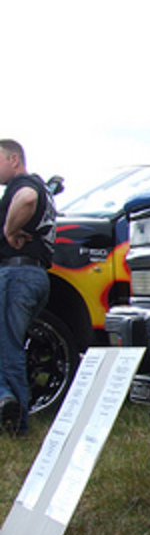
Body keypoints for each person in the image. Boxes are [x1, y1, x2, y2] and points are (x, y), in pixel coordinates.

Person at [0, 140, 55, 435]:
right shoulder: (45, 188)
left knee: (7, 348)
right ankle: (6, 402)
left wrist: (9, 230)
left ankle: (15, 422)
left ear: (13, 160)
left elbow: (26, 198)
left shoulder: (24, 183)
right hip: (34, 276)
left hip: (17, 275)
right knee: (8, 345)